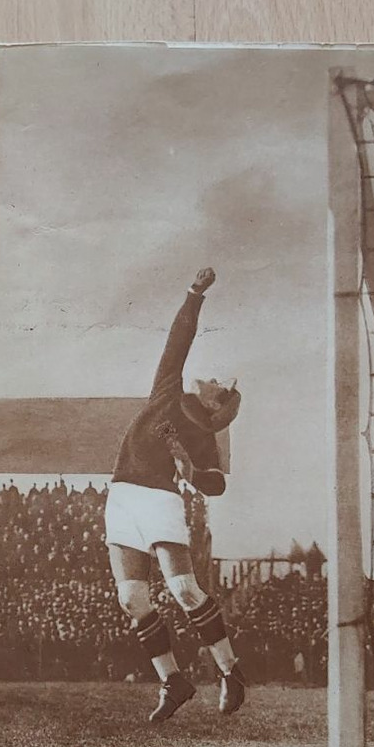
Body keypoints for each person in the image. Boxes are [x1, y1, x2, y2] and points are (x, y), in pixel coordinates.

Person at [104, 266, 244, 722]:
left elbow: (216, 484)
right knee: (131, 600)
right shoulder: (167, 390)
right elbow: (178, 338)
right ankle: (173, 680)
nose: (210, 384)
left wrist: (191, 472)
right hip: (123, 494)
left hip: (161, 498)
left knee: (183, 588)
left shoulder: (203, 436)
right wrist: (194, 293)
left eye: (218, 389)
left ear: (216, 403)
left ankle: (230, 672)